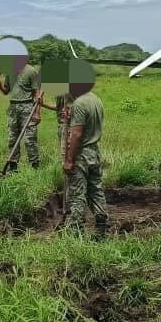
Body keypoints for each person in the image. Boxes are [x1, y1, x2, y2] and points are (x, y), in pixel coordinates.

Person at [63, 89, 108, 238]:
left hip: (81, 153)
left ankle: (75, 230)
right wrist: (70, 118)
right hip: (94, 151)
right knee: (96, 189)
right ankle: (101, 224)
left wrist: (69, 160)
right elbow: (87, 124)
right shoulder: (96, 99)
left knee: (77, 193)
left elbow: (77, 134)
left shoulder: (79, 103)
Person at [0, 63, 42, 171]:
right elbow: (6, 90)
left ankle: (35, 166)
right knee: (12, 138)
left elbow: (37, 93)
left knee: (30, 138)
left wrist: (37, 113)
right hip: (13, 107)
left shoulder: (31, 71)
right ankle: (13, 167)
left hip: (27, 107)